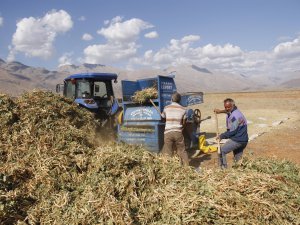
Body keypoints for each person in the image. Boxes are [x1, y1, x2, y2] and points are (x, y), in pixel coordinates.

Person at [214, 98, 248, 168]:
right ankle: (239, 171)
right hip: (243, 139)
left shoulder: (234, 117)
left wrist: (221, 136)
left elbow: (232, 132)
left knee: (221, 151)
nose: (227, 109)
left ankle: (223, 170)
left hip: (238, 140)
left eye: (228, 107)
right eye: (225, 107)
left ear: (233, 105)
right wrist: (220, 111)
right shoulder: (234, 110)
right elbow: (228, 111)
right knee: (237, 160)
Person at [161, 92, 190, 166]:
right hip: (178, 132)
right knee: (182, 151)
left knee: (168, 152)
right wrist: (181, 128)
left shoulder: (166, 108)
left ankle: (168, 168)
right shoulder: (183, 109)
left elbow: (163, 118)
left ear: (171, 99)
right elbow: (184, 122)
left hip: (168, 133)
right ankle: (187, 168)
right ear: (179, 100)